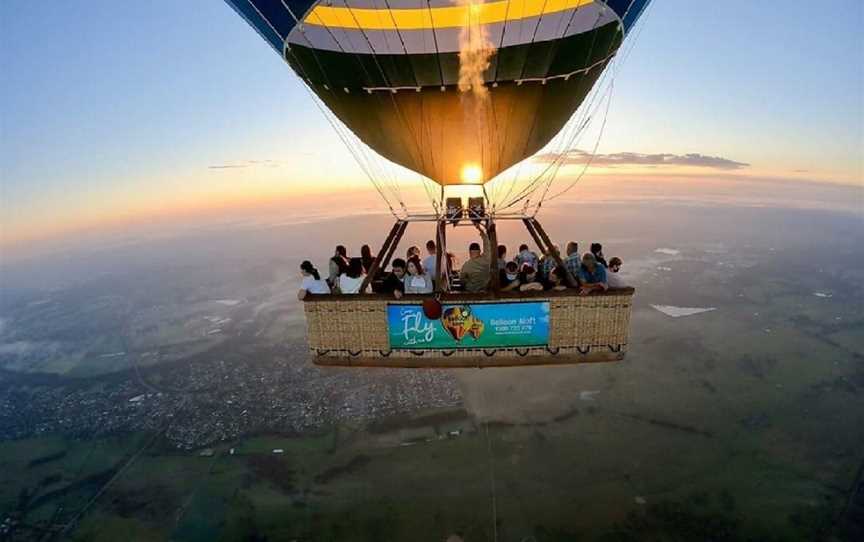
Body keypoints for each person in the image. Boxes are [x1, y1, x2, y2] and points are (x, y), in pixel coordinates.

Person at [459, 224, 492, 292]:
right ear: (479, 251)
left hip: (472, 291)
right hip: (487, 289)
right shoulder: (486, 258)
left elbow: (462, 280)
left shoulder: (466, 265)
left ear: (470, 252)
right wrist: (480, 229)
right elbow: (487, 243)